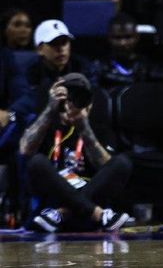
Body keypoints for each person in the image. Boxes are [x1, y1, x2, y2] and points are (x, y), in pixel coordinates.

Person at [18, 73, 131, 232]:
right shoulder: (45, 124)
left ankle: (63, 213)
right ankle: (98, 214)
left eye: (78, 98)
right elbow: (25, 150)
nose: (71, 104)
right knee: (37, 162)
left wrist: (84, 127)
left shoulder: (99, 128)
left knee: (122, 162)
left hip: (57, 217)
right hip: (51, 206)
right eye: (67, 98)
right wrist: (50, 110)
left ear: (89, 104)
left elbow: (107, 167)